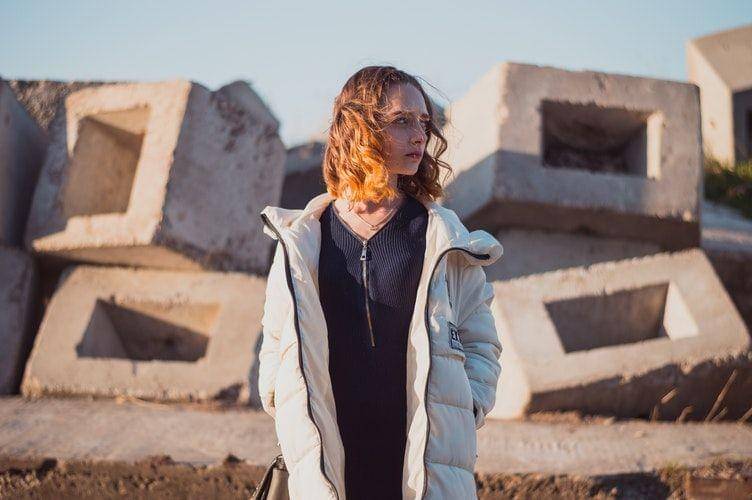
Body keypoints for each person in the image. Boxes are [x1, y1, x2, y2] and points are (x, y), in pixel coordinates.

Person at [258, 66, 504, 500]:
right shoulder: (302, 239)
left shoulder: (442, 236)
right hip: (331, 458)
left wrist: (466, 408)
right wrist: (286, 406)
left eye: (424, 122)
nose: (419, 136)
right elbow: (276, 340)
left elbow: (479, 339)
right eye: (401, 121)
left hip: (421, 461)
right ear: (359, 127)